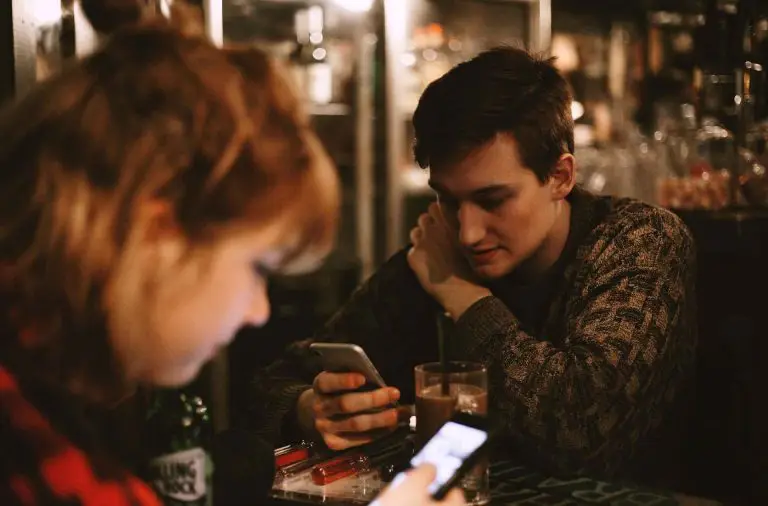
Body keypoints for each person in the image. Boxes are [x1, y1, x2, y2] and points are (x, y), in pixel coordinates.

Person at [0, 1, 464, 505]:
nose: (260, 311)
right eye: (257, 267)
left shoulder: (54, 382)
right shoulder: (26, 435)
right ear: (159, 233)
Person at [248, 46, 698, 488]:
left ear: (560, 177)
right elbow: (274, 380)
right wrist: (307, 409)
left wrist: (464, 298)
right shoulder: (438, 255)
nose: (467, 233)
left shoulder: (639, 241)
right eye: (447, 199)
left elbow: (580, 431)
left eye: (492, 200)